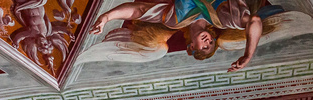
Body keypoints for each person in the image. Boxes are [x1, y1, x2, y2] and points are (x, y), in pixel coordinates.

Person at [89, 0, 280, 71]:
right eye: (211, 44)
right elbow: (255, 21)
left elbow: (139, 10)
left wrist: (107, 17)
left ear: (191, 47)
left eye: (204, 47)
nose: (208, 42)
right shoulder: (223, 19)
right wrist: (248, 55)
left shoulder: (173, 20)